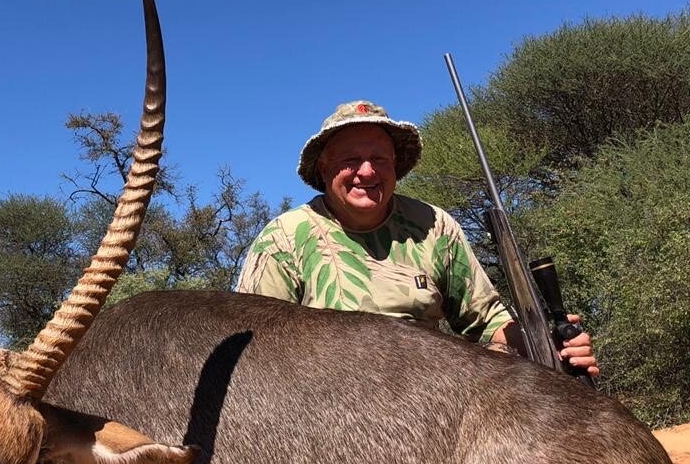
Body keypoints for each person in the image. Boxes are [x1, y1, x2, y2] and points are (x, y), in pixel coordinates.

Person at [236, 100, 599, 374]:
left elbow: (486, 323)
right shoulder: (283, 238)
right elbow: (255, 353)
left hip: (432, 399)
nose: (366, 171)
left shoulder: (433, 225)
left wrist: (548, 344)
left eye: (379, 158)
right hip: (326, 413)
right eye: (350, 160)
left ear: (395, 165)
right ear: (325, 168)